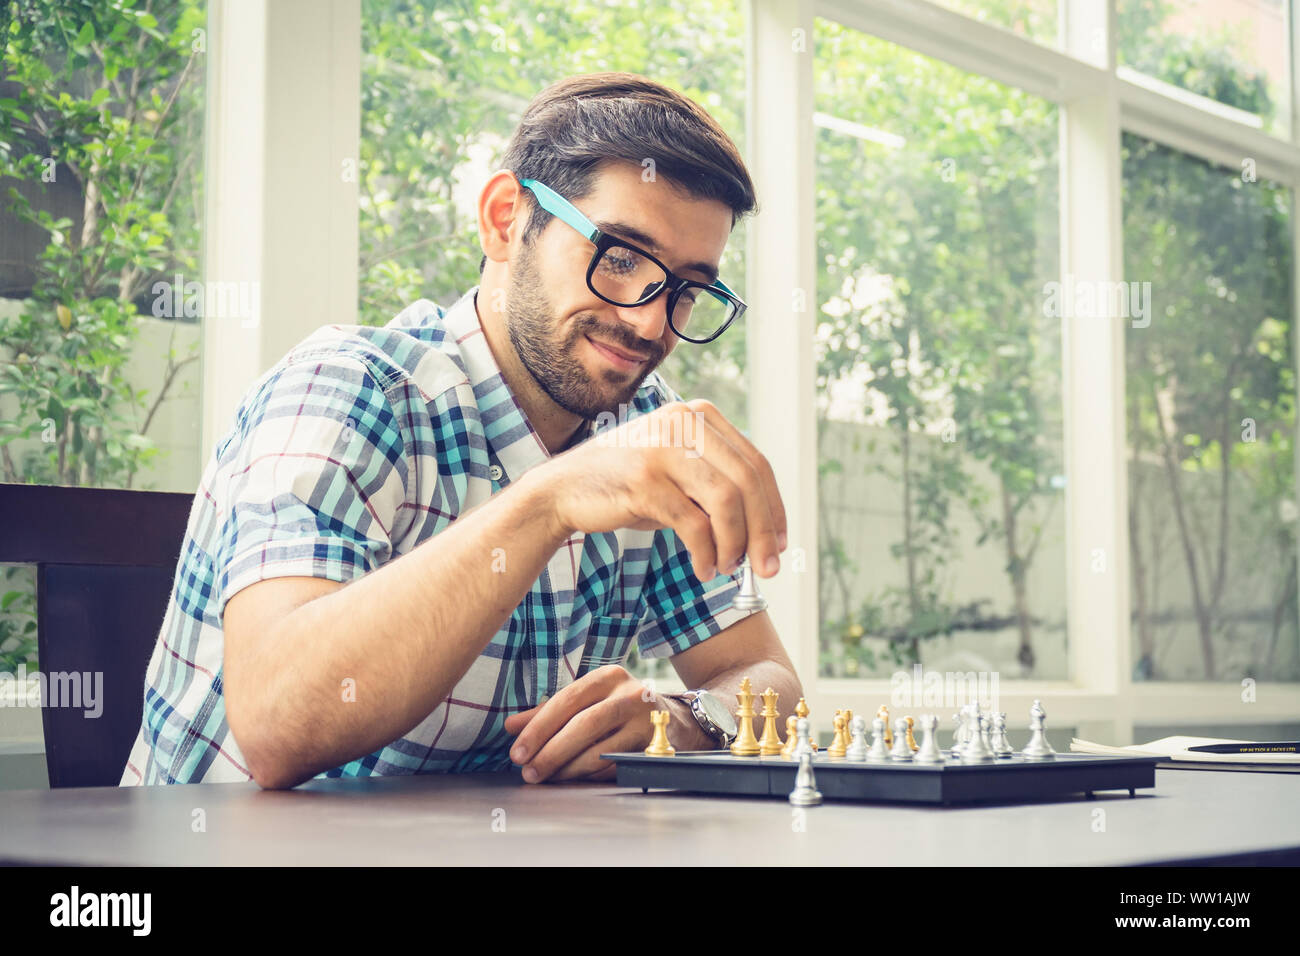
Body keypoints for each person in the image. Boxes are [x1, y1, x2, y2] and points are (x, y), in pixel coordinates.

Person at [121, 72, 798, 789]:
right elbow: (276, 722)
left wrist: (687, 717)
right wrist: (554, 497)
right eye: (621, 258)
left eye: (687, 288)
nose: (647, 320)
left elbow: (771, 681)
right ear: (506, 219)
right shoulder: (351, 386)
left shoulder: (640, 428)